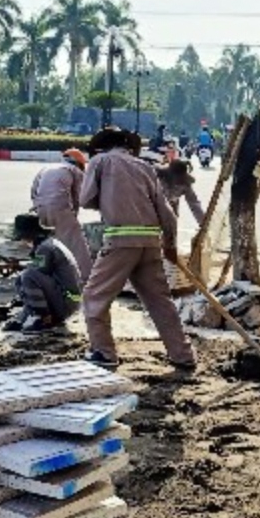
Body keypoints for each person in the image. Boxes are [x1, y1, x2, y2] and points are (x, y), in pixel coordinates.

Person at [79, 126, 197, 369]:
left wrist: (108, 197)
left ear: (102, 146)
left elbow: (85, 200)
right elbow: (168, 216)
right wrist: (170, 246)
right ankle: (182, 355)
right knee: (159, 300)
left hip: (121, 240)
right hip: (151, 243)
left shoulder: (100, 161)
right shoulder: (145, 167)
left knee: (94, 296)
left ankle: (103, 352)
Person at [3, 214, 83, 334]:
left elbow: (36, 274)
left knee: (28, 276)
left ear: (29, 234)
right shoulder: (49, 243)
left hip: (66, 303)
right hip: (68, 300)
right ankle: (30, 316)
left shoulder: (45, 248)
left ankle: (44, 318)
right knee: (22, 277)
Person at [30, 148, 94, 281]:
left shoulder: (47, 168)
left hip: (40, 207)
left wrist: (38, 208)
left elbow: (34, 190)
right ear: (79, 163)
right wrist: (73, 217)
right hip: (60, 208)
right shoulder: (75, 171)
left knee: (45, 241)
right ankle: (86, 277)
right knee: (76, 244)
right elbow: (79, 198)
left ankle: (40, 270)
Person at [157, 159, 206, 224]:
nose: (178, 182)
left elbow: (194, 204)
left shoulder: (185, 184)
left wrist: (203, 223)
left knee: (171, 225)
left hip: (171, 206)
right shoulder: (157, 177)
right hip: (152, 206)